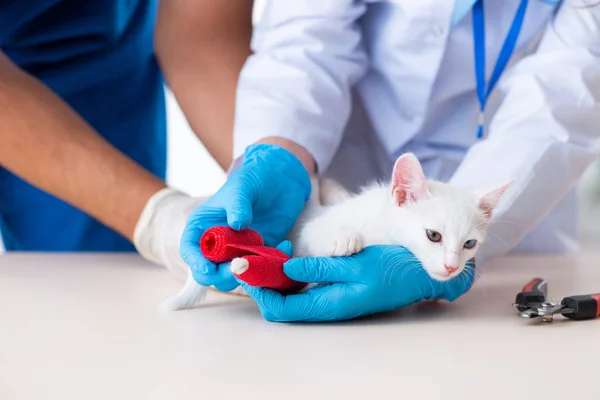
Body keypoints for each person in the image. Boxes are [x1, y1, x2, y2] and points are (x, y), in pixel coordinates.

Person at [181, 0, 600, 321]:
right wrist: (277, 150)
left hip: (515, 235)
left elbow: (566, 87)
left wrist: (468, 236)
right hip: (350, 167)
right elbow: (306, 39)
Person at [0, 1, 253, 281]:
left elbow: (202, 38)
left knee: (108, 280)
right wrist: (160, 218)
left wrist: (273, 168)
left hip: (112, 60)